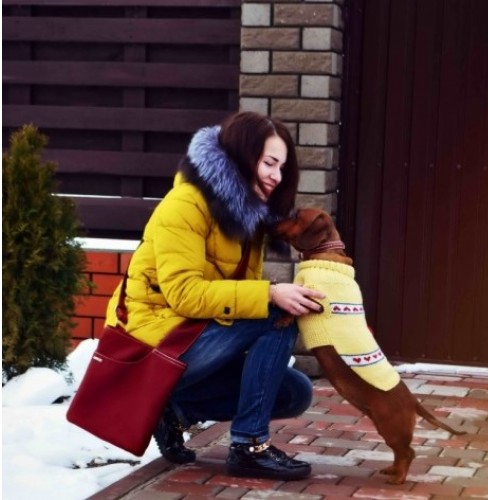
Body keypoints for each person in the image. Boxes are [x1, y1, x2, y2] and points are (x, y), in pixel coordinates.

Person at [105, 111, 325, 481]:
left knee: (294, 393)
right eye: (269, 163)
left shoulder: (247, 215)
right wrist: (270, 293)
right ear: (241, 155)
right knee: (275, 315)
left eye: (282, 167)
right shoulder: (185, 205)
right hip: (147, 346)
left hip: (193, 337)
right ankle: (250, 445)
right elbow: (185, 294)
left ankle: (173, 413)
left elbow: (232, 303)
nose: (277, 175)